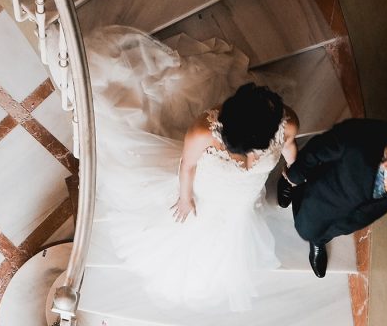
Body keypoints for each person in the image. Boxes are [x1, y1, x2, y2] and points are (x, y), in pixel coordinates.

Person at [65, 26, 299, 312]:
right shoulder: (204, 131)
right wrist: (186, 198)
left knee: (234, 227)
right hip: (206, 190)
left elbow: (288, 145)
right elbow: (187, 165)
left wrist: (294, 166)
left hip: (242, 198)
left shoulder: (287, 124)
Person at [277, 119, 387, 278]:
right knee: (307, 228)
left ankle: (320, 240)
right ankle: (293, 188)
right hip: (324, 196)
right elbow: (316, 150)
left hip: (358, 216)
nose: (385, 164)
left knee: (336, 229)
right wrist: (295, 176)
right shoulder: (357, 135)